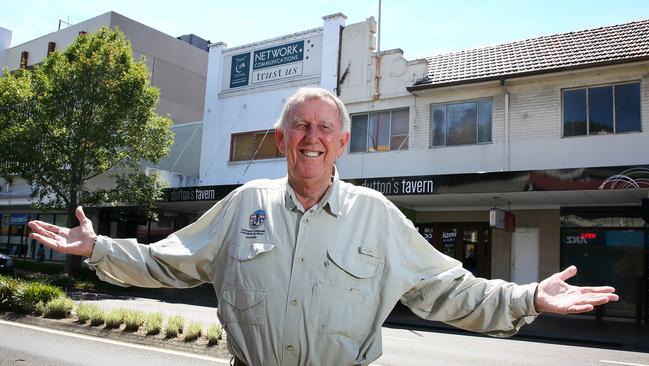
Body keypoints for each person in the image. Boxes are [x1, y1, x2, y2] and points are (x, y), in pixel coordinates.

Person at [28, 87, 618, 366]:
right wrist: (99, 246)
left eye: (323, 129)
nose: (311, 138)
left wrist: (528, 297)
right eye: (298, 127)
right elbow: (166, 262)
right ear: (282, 140)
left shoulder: (377, 216)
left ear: (342, 143)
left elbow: (449, 292)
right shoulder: (243, 205)